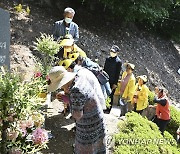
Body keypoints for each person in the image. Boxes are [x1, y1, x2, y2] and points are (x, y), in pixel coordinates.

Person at [47, 66, 106, 154]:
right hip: (97, 118)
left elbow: (77, 115)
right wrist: (67, 96)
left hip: (89, 124)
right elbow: (83, 99)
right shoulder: (78, 78)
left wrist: (69, 100)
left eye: (60, 85)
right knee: (97, 148)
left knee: (86, 149)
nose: (61, 87)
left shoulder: (76, 90)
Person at [104, 45, 122, 113]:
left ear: (117, 53)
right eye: (111, 51)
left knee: (110, 95)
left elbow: (117, 73)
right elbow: (105, 69)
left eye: (113, 52)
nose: (112, 53)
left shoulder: (118, 62)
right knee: (104, 92)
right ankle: (103, 106)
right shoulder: (107, 59)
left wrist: (115, 83)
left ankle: (108, 108)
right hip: (105, 79)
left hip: (112, 81)